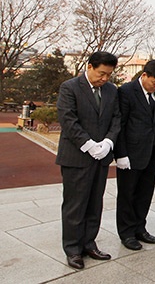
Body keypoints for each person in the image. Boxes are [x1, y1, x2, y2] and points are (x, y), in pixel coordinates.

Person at [55, 51, 120, 270]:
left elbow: (117, 118)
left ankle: (89, 243)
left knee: (95, 202)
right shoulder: (70, 87)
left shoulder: (111, 91)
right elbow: (68, 119)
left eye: (109, 75)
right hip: (77, 156)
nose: (105, 79)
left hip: (101, 157)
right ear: (90, 66)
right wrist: (89, 144)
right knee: (75, 204)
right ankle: (73, 249)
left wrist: (108, 143)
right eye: (102, 73)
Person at [114, 60, 155, 250]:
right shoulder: (126, 91)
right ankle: (127, 232)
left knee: (145, 193)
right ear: (144, 75)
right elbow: (120, 124)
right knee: (128, 194)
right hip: (130, 153)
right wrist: (121, 154)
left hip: (152, 152)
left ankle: (140, 228)